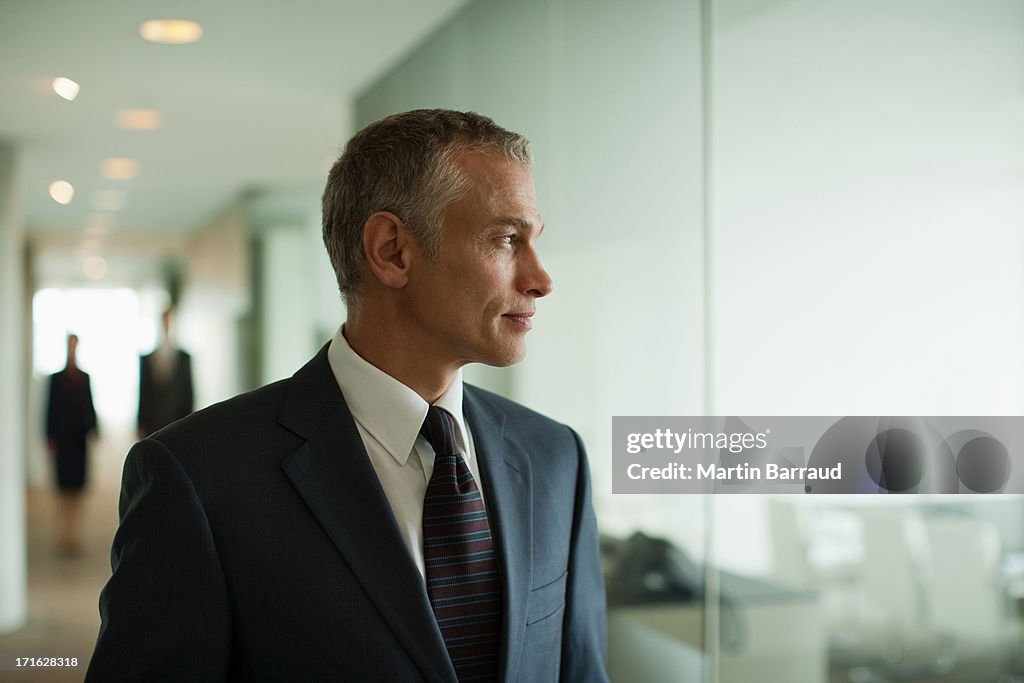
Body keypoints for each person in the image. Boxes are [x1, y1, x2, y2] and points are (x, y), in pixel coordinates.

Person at [86, 109, 608, 682]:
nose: (541, 278)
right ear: (392, 251)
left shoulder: (555, 456)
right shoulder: (200, 479)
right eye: (508, 239)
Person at [45, 333, 97, 554]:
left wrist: (95, 428)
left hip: (79, 439)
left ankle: (75, 533)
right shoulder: (56, 378)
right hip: (63, 439)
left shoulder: (84, 377)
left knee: (77, 487)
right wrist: (48, 435)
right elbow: (49, 408)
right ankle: (63, 532)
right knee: (63, 487)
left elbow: (89, 405)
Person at [137, 307, 194, 437]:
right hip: (153, 421)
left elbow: (188, 391)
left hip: (177, 420)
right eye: (164, 321)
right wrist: (140, 423)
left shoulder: (184, 358)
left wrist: (190, 421)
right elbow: (143, 392)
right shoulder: (147, 358)